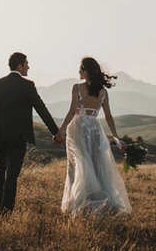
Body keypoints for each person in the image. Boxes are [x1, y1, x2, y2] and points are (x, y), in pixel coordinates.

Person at [0, 52, 62, 215]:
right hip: (18, 136)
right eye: (26, 64)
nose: (28, 67)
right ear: (19, 66)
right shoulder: (27, 86)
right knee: (12, 173)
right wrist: (55, 131)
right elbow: (41, 109)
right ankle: (7, 209)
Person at [55, 57, 132, 216]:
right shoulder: (103, 92)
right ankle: (99, 202)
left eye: (80, 69)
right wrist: (116, 138)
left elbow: (71, 112)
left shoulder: (76, 88)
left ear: (86, 71)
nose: (78, 72)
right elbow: (109, 116)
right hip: (95, 130)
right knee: (96, 166)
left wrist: (60, 130)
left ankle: (81, 203)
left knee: (79, 164)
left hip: (78, 129)